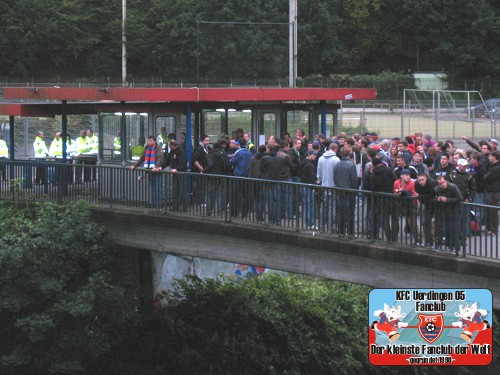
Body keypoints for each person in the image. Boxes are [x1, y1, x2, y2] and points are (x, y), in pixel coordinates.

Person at [131, 136, 164, 210]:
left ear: (154, 141)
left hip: (157, 171)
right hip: (149, 171)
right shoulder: (146, 149)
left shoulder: (158, 148)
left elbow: (160, 158)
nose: (149, 142)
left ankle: (159, 207)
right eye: (148, 141)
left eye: (151, 141)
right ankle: (155, 205)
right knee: (153, 189)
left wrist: (156, 166)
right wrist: (135, 166)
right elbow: (142, 158)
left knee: (158, 189)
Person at [433, 175, 463, 254]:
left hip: (455, 211)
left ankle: (456, 248)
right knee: (446, 230)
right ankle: (450, 247)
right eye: (440, 183)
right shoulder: (437, 189)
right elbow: (435, 198)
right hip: (445, 211)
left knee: (454, 230)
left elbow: (460, 198)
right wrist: (438, 199)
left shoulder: (453, 187)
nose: (443, 184)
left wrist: (447, 200)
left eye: (443, 182)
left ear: (446, 181)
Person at [334, 147, 359, 237]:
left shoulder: (337, 164)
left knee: (341, 213)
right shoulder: (351, 165)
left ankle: (340, 232)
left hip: (340, 191)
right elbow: (354, 180)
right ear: (349, 154)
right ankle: (350, 232)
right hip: (350, 191)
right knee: (350, 214)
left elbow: (335, 177)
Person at [393, 169, 421, 246]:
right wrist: (399, 190)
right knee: (400, 219)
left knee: (412, 222)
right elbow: (395, 192)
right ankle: (398, 234)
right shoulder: (397, 182)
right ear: (401, 176)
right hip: (402, 204)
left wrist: (404, 192)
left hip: (413, 204)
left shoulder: (412, 183)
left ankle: (418, 240)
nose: (408, 177)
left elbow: (414, 195)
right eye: (406, 175)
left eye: (409, 175)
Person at [317, 142, 340, 232]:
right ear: (335, 149)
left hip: (324, 185)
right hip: (333, 185)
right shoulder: (336, 159)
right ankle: (331, 227)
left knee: (324, 206)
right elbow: (337, 174)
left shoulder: (321, 158)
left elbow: (318, 173)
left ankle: (321, 226)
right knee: (332, 207)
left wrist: (319, 181)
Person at [230, 137, 252, 218]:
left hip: (238, 176)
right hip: (246, 176)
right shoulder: (249, 152)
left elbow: (231, 162)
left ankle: (234, 213)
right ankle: (244, 213)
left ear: (238, 144)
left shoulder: (238, 152)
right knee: (245, 195)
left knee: (236, 195)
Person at [164, 139, 187, 211]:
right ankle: (175, 206)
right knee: (175, 190)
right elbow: (167, 161)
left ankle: (184, 207)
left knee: (181, 190)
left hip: (180, 173)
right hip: (175, 173)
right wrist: (161, 166)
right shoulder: (172, 151)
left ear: (172, 145)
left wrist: (177, 169)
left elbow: (182, 162)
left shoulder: (181, 151)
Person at [415, 173, 436, 248]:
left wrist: (421, 196)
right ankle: (428, 241)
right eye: (419, 180)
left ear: (426, 178)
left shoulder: (432, 183)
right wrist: (422, 197)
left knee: (438, 222)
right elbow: (418, 194)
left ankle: (437, 241)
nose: (421, 182)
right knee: (425, 222)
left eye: (422, 180)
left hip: (436, 204)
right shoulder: (416, 184)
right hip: (426, 204)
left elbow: (431, 195)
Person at [300, 149, 318, 230]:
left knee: (306, 205)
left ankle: (307, 223)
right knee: (310, 205)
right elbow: (311, 177)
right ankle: (311, 223)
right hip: (309, 186)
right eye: (314, 155)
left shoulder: (304, 163)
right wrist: (315, 186)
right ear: (309, 155)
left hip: (303, 185)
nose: (315, 156)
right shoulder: (310, 165)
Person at [484, 151, 500, 235]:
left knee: (493, 210)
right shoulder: (492, 167)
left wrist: (486, 176)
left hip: (494, 191)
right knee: (490, 210)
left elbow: (487, 177)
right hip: (491, 190)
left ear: (494, 157)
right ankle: (489, 228)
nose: (489, 158)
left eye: (490, 156)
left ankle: (493, 229)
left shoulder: (496, 168)